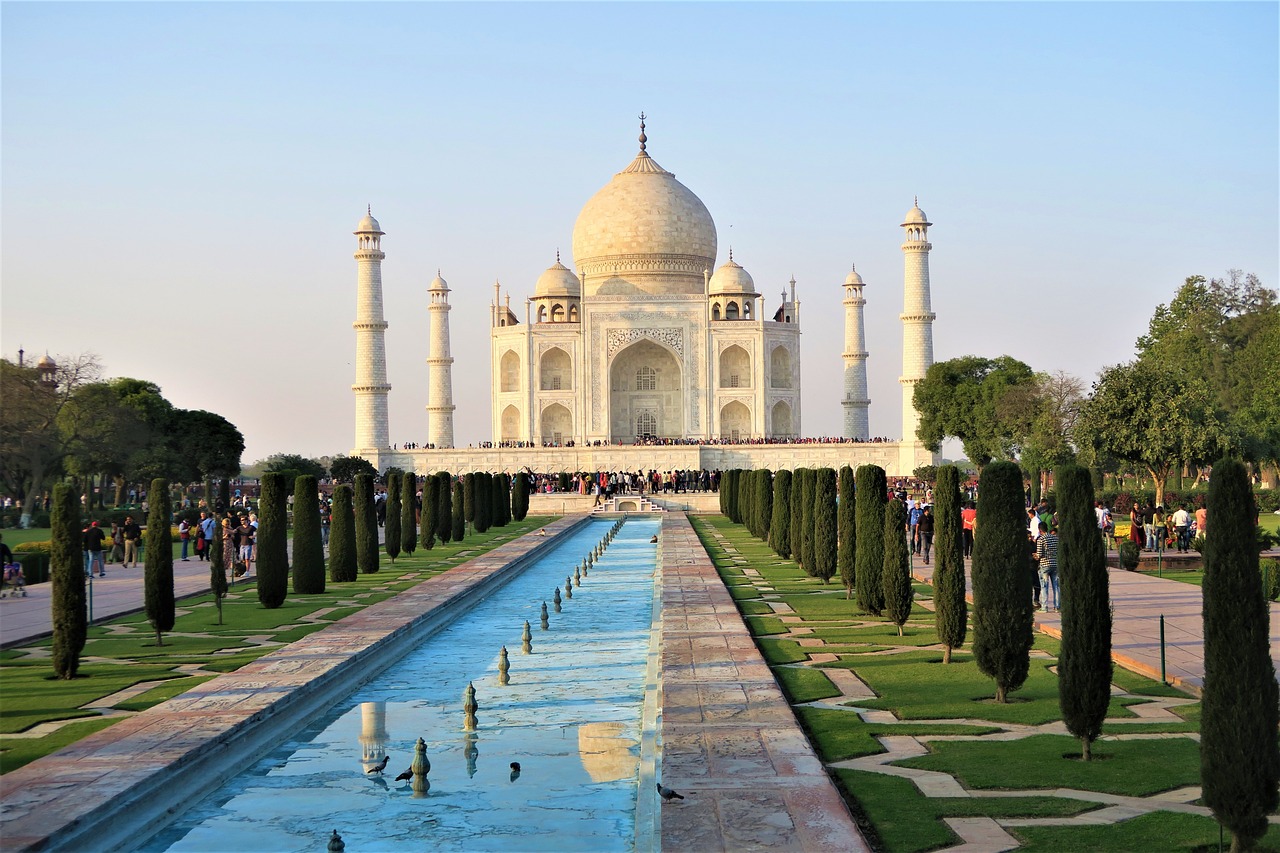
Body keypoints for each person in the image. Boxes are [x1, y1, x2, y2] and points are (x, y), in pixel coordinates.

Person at [1035, 521, 1060, 612]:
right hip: (1055, 564)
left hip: (1045, 564)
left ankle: (1044, 607)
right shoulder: (1055, 538)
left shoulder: (1041, 539)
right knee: (1056, 586)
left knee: (1044, 586)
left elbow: (1039, 554)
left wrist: (1035, 555)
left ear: (1040, 530)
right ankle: (1057, 606)